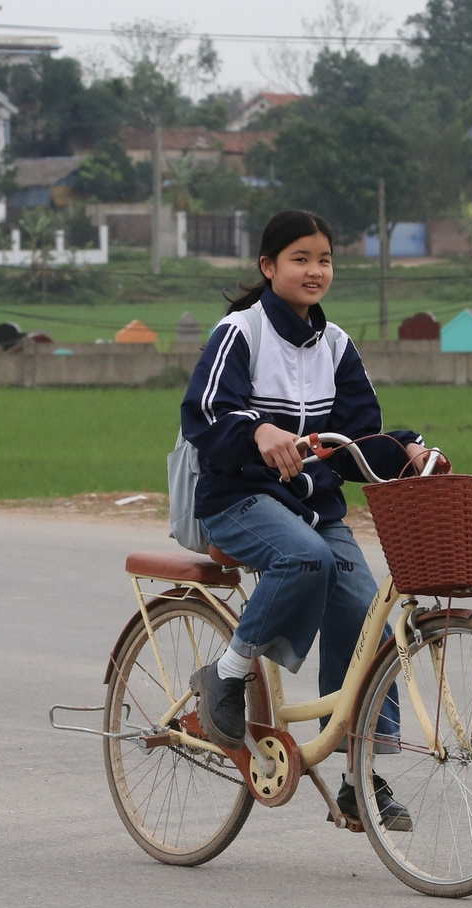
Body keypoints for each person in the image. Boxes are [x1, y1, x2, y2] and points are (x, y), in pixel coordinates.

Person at [179, 209, 444, 829]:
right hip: (236, 502)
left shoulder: (336, 345)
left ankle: (358, 775)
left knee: (362, 614)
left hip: (312, 505)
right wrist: (260, 431)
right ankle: (226, 675)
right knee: (307, 557)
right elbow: (206, 416)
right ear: (268, 268)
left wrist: (406, 448)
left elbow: (359, 438)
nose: (314, 270)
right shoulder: (239, 334)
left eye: (323, 259)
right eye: (300, 259)